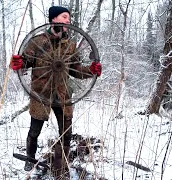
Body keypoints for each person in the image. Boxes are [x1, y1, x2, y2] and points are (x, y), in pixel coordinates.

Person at [9, 6, 102, 179]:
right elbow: (24, 62)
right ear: (54, 19)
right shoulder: (38, 41)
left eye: (68, 18)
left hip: (63, 95)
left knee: (66, 133)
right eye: (64, 17)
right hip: (41, 94)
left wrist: (91, 70)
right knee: (34, 131)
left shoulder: (70, 45)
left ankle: (61, 167)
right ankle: (30, 160)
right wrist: (18, 63)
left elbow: (75, 69)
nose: (68, 21)